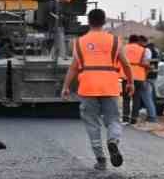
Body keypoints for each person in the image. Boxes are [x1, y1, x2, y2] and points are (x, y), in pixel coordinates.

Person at [63, 9, 134, 170]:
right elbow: (126, 64)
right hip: (110, 86)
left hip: (87, 87)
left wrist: (66, 87)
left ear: (89, 22)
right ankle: (113, 141)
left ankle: (100, 159)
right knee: (113, 120)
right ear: (104, 22)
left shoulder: (80, 42)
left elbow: (73, 68)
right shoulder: (115, 41)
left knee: (92, 124)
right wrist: (130, 82)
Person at [124, 35, 156, 123]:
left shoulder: (123, 48)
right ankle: (134, 119)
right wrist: (150, 67)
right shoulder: (143, 50)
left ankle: (125, 118)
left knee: (126, 98)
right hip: (140, 77)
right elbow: (145, 63)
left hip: (126, 76)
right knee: (137, 98)